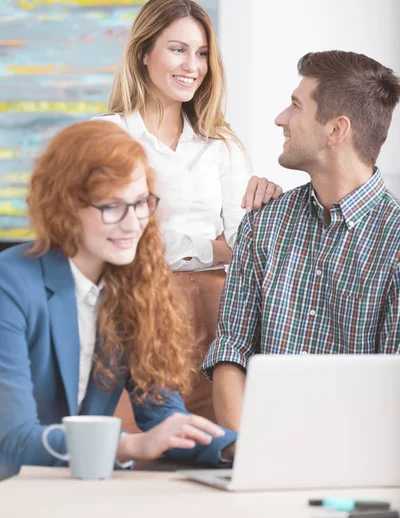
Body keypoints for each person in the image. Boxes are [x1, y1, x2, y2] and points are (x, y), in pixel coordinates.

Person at [0, 120, 237, 479]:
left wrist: (235, 447)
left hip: (76, 491)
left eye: (141, 203)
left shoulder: (134, 283)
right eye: (111, 206)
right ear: (64, 207)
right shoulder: (11, 282)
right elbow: (13, 439)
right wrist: (129, 445)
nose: (133, 224)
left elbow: (163, 415)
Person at [95, 0, 281, 428]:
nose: (192, 66)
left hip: (218, 316)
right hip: (139, 311)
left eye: (201, 54)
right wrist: (210, 247)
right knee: (140, 447)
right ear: (144, 52)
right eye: (178, 49)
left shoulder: (224, 145)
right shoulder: (107, 135)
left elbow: (241, 245)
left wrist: (194, 246)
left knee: (220, 449)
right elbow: (117, 241)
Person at [202, 50, 400, 433]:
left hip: (356, 463)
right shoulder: (265, 224)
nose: (280, 118)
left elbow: (391, 390)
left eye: (295, 106)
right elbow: (232, 351)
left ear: (336, 130)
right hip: (255, 451)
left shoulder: (394, 245)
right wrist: (249, 454)